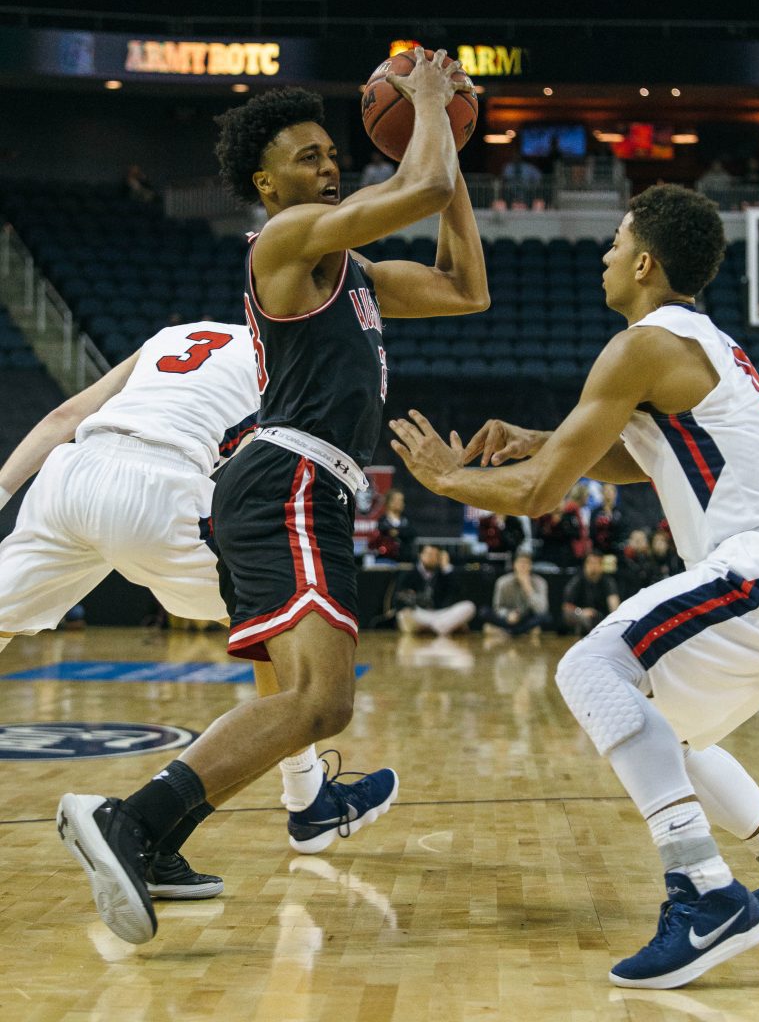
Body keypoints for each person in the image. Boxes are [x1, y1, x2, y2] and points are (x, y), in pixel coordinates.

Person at [59, 48, 490, 946]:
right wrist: (427, 111)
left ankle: (156, 833)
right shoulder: (284, 242)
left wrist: (446, 149)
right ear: (265, 182)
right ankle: (130, 822)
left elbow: (465, 289)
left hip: (303, 488)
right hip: (286, 476)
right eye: (307, 158)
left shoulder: (358, 276)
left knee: (302, 696)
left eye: (332, 155)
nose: (328, 167)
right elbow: (410, 196)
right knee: (321, 702)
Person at [388, 182, 759, 988]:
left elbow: (542, 496)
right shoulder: (694, 341)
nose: (604, 255)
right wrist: (544, 441)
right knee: (666, 732)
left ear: (644, 261)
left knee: (590, 668)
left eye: (615, 242)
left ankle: (705, 894)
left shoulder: (642, 343)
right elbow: (633, 457)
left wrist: (446, 480)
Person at [0, 320, 261, 897]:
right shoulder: (290, 350)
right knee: (280, 631)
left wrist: (0, 490)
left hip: (72, 474)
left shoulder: (176, 333)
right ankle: (306, 796)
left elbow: (62, 418)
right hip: (162, 484)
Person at [394, 543, 476, 636]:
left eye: (436, 555)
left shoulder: (444, 574)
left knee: (469, 607)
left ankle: (437, 627)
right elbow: (399, 599)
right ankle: (443, 627)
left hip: (440, 614)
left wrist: (447, 568)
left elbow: (459, 593)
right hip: (419, 613)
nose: (432, 558)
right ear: (421, 555)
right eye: (429, 554)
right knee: (404, 615)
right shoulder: (409, 574)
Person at [482, 549, 550, 639]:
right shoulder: (503, 582)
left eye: (526, 563)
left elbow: (542, 610)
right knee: (484, 612)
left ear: (531, 566)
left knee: (545, 618)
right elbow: (497, 607)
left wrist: (528, 588)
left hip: (526, 618)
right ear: (514, 565)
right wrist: (508, 615)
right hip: (508, 619)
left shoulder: (540, 582)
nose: (523, 566)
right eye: (521, 563)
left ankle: (508, 632)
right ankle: (521, 632)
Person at [561, 550, 620, 635]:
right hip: (582, 615)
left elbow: (614, 605)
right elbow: (566, 606)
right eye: (590, 563)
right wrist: (581, 611)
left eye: (596, 563)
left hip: (602, 619)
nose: (593, 566)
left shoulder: (608, 581)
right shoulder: (577, 580)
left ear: (601, 566)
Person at [368, 487, 416, 562]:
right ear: (389, 502)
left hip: (404, 560)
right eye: (397, 500)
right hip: (385, 560)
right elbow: (381, 533)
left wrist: (398, 533)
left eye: (401, 500)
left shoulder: (406, 520)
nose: (400, 503)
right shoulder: (382, 521)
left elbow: (412, 533)